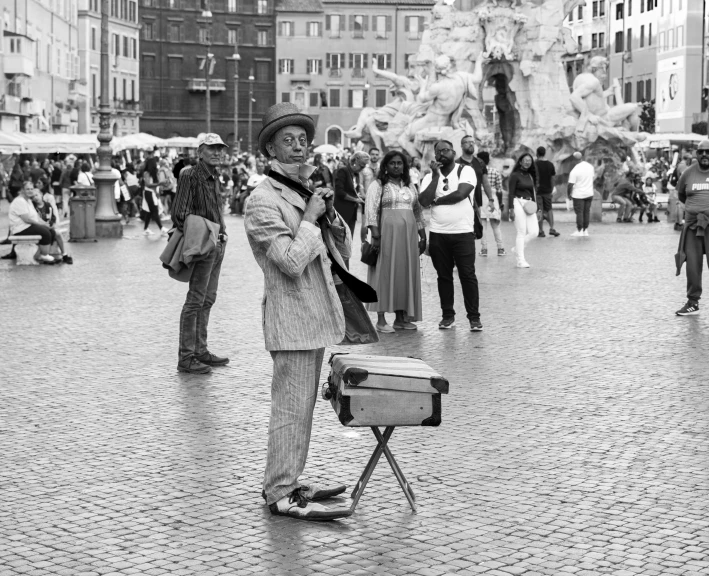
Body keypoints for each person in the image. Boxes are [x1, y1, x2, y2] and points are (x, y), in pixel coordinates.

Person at [244, 102, 353, 521]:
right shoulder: (261, 200)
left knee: (302, 408)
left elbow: (333, 253)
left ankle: (289, 480)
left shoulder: (300, 191)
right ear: (270, 148)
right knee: (290, 409)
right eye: (286, 140)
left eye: (302, 140)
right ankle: (280, 494)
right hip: (290, 319)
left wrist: (333, 224)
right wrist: (309, 219)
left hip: (313, 316)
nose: (298, 147)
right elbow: (289, 262)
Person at [171, 133, 231, 374]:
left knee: (208, 299)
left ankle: (200, 350)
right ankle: (186, 357)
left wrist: (222, 232)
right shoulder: (189, 175)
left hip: (217, 243)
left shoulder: (213, 175)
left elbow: (215, 208)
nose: (217, 152)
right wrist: (205, 233)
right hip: (204, 243)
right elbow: (180, 213)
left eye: (220, 148)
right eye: (212, 148)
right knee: (195, 300)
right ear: (200, 152)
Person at [419, 139, 492, 331]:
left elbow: (461, 194)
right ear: (435, 156)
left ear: (453, 152)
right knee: (443, 276)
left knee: (467, 275)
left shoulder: (465, 170)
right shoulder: (429, 176)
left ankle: (474, 318)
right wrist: (435, 176)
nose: (442, 153)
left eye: (446, 150)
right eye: (438, 151)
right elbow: (423, 201)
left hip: (463, 232)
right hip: (438, 233)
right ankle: (447, 316)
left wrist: (437, 200)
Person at [365, 151, 426, 333]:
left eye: (400, 163)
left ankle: (401, 318)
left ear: (405, 166)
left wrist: (423, 235)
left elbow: (417, 211)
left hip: (408, 237)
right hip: (386, 235)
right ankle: (381, 320)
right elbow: (370, 211)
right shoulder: (378, 185)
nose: (396, 166)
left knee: (404, 273)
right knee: (384, 272)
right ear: (386, 166)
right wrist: (375, 237)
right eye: (392, 163)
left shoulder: (410, 186)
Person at [674, 140, 709, 316]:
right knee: (692, 265)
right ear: (696, 154)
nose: (704, 155)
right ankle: (692, 302)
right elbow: (681, 194)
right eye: (701, 152)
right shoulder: (688, 173)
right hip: (693, 226)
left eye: (707, 152)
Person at [8, 182, 62, 264]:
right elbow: (27, 219)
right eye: (27, 189)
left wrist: (45, 224)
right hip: (21, 228)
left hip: (28, 226)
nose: (30, 191)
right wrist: (42, 225)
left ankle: (41, 254)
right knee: (45, 232)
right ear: (22, 190)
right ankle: (44, 255)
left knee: (51, 231)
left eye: (31, 189)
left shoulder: (28, 201)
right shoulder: (19, 201)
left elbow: (36, 217)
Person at [508, 152, 540, 266]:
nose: (527, 162)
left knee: (534, 232)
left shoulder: (530, 176)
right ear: (520, 161)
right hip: (517, 202)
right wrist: (510, 208)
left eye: (529, 160)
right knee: (521, 231)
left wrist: (538, 209)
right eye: (525, 160)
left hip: (529, 203)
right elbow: (510, 193)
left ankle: (517, 248)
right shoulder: (515, 175)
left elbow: (533, 193)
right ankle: (520, 260)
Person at [475, 151, 505, 257]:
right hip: (492, 197)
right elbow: (499, 189)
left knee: (482, 225)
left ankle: (484, 249)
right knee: (495, 225)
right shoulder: (495, 171)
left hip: (480, 198)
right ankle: (500, 248)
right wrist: (500, 203)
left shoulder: (476, 171)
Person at [32, 189, 73, 264]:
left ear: (41, 195)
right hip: (39, 227)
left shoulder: (47, 205)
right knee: (49, 233)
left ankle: (64, 254)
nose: (35, 198)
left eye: (36, 195)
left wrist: (50, 223)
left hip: (48, 226)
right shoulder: (32, 207)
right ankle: (43, 255)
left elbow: (53, 217)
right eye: (33, 196)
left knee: (57, 233)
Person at [334, 151, 368, 237]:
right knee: (341, 239)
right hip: (342, 211)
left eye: (364, 166)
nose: (362, 169)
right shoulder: (343, 171)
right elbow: (339, 192)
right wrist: (355, 199)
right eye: (361, 165)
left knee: (349, 240)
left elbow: (353, 191)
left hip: (352, 212)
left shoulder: (356, 175)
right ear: (355, 161)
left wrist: (358, 196)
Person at [566, 151, 595, 237]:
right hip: (589, 193)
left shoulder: (575, 170)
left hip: (578, 195)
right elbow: (592, 178)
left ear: (574, 160)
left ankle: (579, 230)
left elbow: (570, 185)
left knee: (579, 212)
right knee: (586, 212)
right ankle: (585, 230)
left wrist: (568, 195)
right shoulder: (590, 167)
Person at [535, 147, 560, 237]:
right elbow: (553, 178)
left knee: (539, 210)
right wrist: (551, 188)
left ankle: (541, 231)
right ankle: (552, 228)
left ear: (537, 153)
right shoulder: (550, 164)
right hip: (547, 191)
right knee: (549, 209)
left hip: (537, 191)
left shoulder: (535, 164)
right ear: (545, 153)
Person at [141, 162, 169, 236]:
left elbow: (153, 184)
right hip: (149, 192)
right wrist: (159, 184)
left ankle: (146, 229)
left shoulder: (153, 173)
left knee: (149, 211)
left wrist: (157, 189)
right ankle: (161, 228)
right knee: (154, 210)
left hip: (151, 192)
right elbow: (147, 184)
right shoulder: (147, 173)